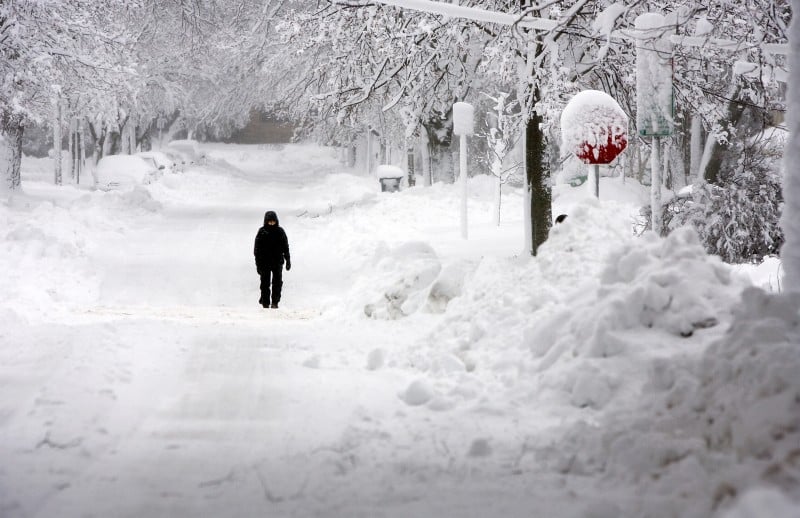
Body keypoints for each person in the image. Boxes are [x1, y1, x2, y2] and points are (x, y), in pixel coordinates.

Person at [254, 210, 291, 309]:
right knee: (265, 283)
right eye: (269, 221)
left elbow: (285, 247)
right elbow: (256, 250)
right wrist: (258, 264)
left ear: (276, 221)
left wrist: (288, 260)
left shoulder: (280, 231)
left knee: (277, 283)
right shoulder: (262, 232)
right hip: (264, 263)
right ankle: (265, 302)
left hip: (277, 262)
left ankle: (275, 302)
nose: (271, 223)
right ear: (266, 221)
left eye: (273, 221)